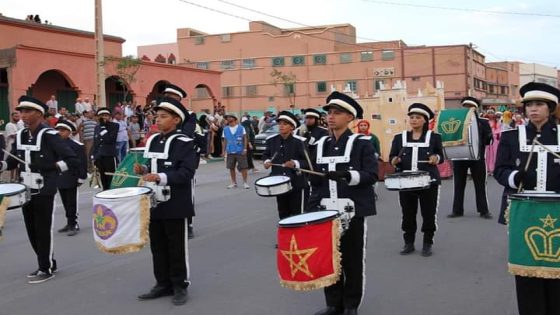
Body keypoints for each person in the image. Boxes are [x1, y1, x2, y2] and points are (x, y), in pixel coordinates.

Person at [494, 82, 560, 315]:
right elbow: (499, 169)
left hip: (557, 212)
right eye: (529, 105)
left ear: (550, 108)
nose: (533, 109)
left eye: (539, 104)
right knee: (526, 272)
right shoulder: (511, 137)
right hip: (523, 212)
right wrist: (514, 177)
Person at [309, 91, 378, 315]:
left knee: (352, 260)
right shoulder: (320, 145)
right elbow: (316, 181)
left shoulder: (362, 143)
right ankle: (333, 303)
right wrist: (311, 208)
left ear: (350, 117)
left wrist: (348, 175)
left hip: (352, 210)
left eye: (337, 113)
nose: (330, 116)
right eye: (328, 112)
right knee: (328, 259)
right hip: (325, 211)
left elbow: (371, 174)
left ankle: (350, 305)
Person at [0, 96, 79, 283]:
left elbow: (71, 159)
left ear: (39, 114)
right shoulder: (21, 135)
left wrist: (51, 167)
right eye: (21, 112)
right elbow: (15, 160)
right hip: (24, 188)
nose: (23, 115)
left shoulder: (50, 135)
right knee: (31, 229)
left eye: (27, 112)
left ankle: (46, 268)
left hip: (44, 188)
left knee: (43, 229)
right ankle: (46, 262)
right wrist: (3, 164)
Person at [134, 97, 196, 306]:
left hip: (175, 203)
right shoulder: (153, 140)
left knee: (176, 246)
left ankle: (180, 284)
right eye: (156, 116)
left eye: (163, 116)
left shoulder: (185, 143)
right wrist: (144, 171)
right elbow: (151, 168)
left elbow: (186, 173)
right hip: (153, 202)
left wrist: (160, 177)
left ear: (176, 120)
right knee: (158, 246)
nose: (157, 120)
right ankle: (162, 283)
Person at [389, 103, 444, 256]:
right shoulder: (399, 138)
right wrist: (394, 160)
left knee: (428, 213)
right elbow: (392, 156)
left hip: (428, 182)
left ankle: (427, 242)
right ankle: (409, 242)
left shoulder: (434, 137)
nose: (413, 120)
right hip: (406, 181)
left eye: (417, 118)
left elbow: (441, 157)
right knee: (407, 213)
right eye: (411, 117)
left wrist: (435, 158)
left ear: (425, 120)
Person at [447, 96, 493, 219]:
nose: (467, 109)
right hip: (460, 157)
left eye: (470, 107)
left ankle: (484, 210)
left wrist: (488, 135)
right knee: (458, 184)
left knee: (480, 185)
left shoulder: (483, 122)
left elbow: (489, 141)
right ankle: (457, 210)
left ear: (475, 109)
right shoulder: (456, 122)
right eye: (465, 106)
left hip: (477, 158)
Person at [263, 111, 309, 219]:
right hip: (279, 183)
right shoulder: (271, 140)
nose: (281, 126)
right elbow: (266, 155)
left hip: (296, 183)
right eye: (280, 123)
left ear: (292, 127)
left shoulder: (300, 142)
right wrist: (266, 162)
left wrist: (295, 163)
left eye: (285, 124)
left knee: (298, 215)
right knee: (283, 214)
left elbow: (308, 162)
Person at [55, 120, 87, 236]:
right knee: (65, 201)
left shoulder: (76, 146)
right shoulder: (55, 144)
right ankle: (69, 222)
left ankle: (74, 224)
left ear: (69, 132)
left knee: (72, 202)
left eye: (62, 130)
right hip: (60, 177)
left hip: (72, 176)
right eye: (58, 130)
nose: (59, 132)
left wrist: (81, 177)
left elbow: (82, 163)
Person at [92, 108, 119, 190]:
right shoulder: (97, 127)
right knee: (103, 179)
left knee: (111, 178)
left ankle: (112, 195)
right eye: (102, 116)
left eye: (106, 115)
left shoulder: (114, 126)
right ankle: (105, 194)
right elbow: (96, 143)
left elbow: (109, 140)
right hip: (100, 156)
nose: (104, 117)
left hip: (109, 155)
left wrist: (103, 128)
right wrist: (94, 155)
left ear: (110, 116)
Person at [221, 114, 250, 189]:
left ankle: (245, 182)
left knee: (243, 167)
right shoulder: (225, 129)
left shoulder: (241, 128)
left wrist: (245, 149)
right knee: (231, 168)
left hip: (240, 150)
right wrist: (223, 151)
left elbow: (245, 138)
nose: (229, 118)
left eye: (230, 117)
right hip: (230, 151)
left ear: (234, 119)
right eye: (227, 118)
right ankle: (234, 183)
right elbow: (225, 140)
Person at [4, 111, 24, 181]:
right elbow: (13, 135)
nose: (17, 118)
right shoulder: (9, 125)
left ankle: (16, 178)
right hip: (11, 145)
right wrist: (23, 134)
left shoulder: (19, 124)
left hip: (19, 145)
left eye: (18, 116)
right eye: (16, 116)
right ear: (12, 117)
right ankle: (11, 178)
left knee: (18, 162)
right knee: (12, 161)